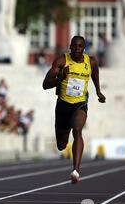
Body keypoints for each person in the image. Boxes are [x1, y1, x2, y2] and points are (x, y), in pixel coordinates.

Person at [42, 36, 106, 183]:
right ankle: (64, 144)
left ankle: (76, 170)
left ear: (84, 48)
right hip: (63, 105)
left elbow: (95, 74)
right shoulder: (61, 61)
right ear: (70, 47)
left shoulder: (91, 61)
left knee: (77, 130)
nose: (77, 48)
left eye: (80, 46)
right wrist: (60, 78)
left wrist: (98, 91)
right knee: (61, 145)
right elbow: (45, 84)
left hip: (80, 104)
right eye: (74, 46)